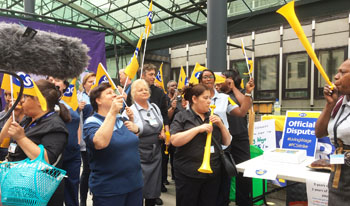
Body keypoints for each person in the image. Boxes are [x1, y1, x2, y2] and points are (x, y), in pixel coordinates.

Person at [0, 79, 71, 206]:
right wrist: (12, 116)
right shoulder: (28, 119)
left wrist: (21, 138)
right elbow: (3, 143)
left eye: (26, 97)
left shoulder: (55, 126)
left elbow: (46, 160)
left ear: (39, 101)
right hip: (18, 192)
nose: (21, 100)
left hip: (39, 196)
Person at [198, 69, 254, 206]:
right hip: (203, 143)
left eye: (210, 76)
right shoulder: (195, 97)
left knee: (224, 180)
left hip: (223, 143)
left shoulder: (224, 98)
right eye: (204, 77)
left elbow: (241, 111)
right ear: (200, 81)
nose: (208, 79)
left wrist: (247, 92)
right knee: (209, 182)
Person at [170, 83, 231, 206]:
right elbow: (175, 140)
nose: (209, 101)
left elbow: (227, 142)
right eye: (205, 98)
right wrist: (198, 129)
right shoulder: (182, 116)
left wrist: (221, 125)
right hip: (188, 174)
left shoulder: (214, 116)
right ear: (194, 99)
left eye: (210, 98)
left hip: (212, 174)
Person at [83, 83, 143, 206]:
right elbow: (100, 143)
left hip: (134, 184)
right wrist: (112, 112)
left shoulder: (121, 119)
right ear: (98, 100)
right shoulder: (91, 122)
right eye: (109, 93)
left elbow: (131, 142)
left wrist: (134, 126)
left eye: (113, 92)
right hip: (110, 190)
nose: (114, 95)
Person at [126, 64, 169, 205]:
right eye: (140, 90)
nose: (144, 92)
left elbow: (161, 125)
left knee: (153, 187)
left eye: (145, 89)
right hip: (139, 153)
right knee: (139, 187)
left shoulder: (155, 107)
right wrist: (135, 127)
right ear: (133, 94)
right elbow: (126, 135)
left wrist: (163, 133)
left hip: (156, 152)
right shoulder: (129, 112)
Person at [315, 59, 350, 205]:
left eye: (343, 72)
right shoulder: (340, 102)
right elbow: (319, 132)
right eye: (337, 72)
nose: (336, 76)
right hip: (339, 174)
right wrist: (330, 104)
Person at [221, 69, 255, 206]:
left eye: (224, 78)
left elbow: (245, 106)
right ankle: (224, 200)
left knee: (243, 171)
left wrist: (233, 88)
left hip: (239, 136)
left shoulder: (240, 92)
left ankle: (244, 202)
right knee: (224, 172)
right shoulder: (218, 94)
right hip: (224, 138)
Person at [48, 76, 81, 206]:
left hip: (72, 155)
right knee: (54, 196)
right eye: (49, 79)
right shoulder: (44, 105)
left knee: (72, 194)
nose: (53, 82)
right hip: (54, 157)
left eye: (56, 79)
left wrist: (77, 143)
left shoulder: (71, 102)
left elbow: (77, 123)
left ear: (65, 85)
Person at [78, 72, 96, 206]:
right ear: (84, 84)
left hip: (101, 140)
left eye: (95, 82)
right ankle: (83, 200)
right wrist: (77, 108)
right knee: (87, 170)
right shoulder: (80, 98)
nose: (93, 84)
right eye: (90, 82)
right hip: (86, 141)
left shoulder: (101, 97)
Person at [0, 90, 25, 160]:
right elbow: (2, 143)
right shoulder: (2, 117)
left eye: (11, 95)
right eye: (5, 95)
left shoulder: (30, 117)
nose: (8, 98)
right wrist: (12, 116)